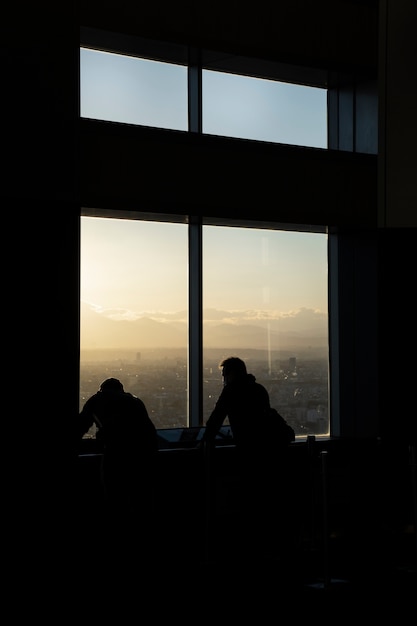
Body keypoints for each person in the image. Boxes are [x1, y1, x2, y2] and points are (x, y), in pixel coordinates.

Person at [201, 356, 295, 565]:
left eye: (224, 374)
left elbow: (215, 420)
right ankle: (272, 551)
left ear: (232, 373)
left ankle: (252, 553)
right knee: (269, 504)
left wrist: (204, 443)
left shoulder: (231, 391)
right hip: (270, 454)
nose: (223, 378)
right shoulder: (259, 389)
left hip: (249, 454)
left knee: (251, 504)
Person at [77, 377, 159, 561]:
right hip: (140, 459)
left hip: (115, 456)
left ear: (102, 389)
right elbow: (150, 434)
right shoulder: (135, 401)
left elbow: (80, 427)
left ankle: (117, 548)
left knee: (115, 503)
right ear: (121, 390)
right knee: (141, 506)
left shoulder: (97, 399)